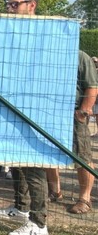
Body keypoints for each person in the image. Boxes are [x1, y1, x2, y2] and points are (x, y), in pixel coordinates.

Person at [0, 0, 50, 235]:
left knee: (33, 167)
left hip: (37, 109)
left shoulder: (46, 35)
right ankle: (22, 208)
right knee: (17, 162)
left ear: (31, 5)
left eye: (15, 4)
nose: (10, 9)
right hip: (13, 108)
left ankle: (39, 225)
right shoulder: (11, 36)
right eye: (9, 4)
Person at [44, 51, 98, 214]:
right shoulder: (47, 54)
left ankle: (85, 199)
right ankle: (55, 191)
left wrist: (83, 111)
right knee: (48, 152)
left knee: (82, 156)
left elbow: (92, 87)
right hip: (48, 111)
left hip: (74, 113)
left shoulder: (81, 57)